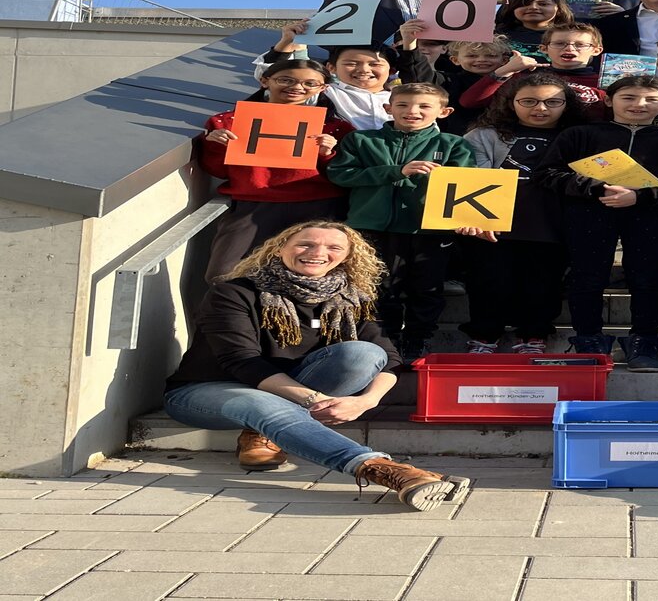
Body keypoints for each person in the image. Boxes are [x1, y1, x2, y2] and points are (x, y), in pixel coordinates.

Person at [164, 221, 468, 510]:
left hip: (287, 392)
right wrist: (316, 400)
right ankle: (383, 469)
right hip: (205, 391)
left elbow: (389, 358)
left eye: (333, 247)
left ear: (349, 256)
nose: (318, 253)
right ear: (279, 248)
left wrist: (365, 402)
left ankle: (266, 430)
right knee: (260, 402)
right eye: (305, 243)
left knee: (364, 353)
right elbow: (241, 361)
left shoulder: (351, 298)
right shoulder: (234, 292)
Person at [535, 76, 658, 372]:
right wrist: (594, 187)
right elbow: (547, 173)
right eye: (629, 97)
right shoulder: (579, 134)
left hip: (649, 215)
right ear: (609, 100)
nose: (639, 105)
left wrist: (642, 197)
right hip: (588, 213)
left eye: (651, 99)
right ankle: (589, 340)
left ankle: (645, 341)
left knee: (649, 277)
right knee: (587, 276)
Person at [326, 83, 475, 362]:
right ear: (388, 108)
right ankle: (384, 339)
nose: (412, 112)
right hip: (372, 227)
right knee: (379, 287)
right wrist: (395, 172)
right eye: (403, 105)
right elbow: (341, 175)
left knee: (426, 287)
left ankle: (418, 339)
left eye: (423, 106)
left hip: (429, 229)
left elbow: (466, 185)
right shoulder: (361, 140)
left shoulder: (454, 144)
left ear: (444, 112)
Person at [458, 73, 587, 352]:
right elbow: (472, 177)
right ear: (510, 102)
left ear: (567, 104)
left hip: (552, 224)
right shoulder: (483, 135)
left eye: (552, 102)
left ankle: (533, 335)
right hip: (493, 225)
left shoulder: (580, 137)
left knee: (543, 285)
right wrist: (476, 219)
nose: (540, 109)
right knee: (488, 282)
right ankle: (483, 336)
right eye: (529, 101)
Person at [200, 59, 354, 283]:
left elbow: (344, 174)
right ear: (265, 81)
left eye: (310, 83)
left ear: (323, 88)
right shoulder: (228, 121)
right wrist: (215, 144)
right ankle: (232, 317)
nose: (297, 88)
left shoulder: (336, 127)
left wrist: (328, 154)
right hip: (252, 206)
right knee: (226, 275)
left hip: (318, 207)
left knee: (310, 277)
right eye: (285, 80)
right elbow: (217, 170)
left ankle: (292, 319)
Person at [457, 24, 609, 121]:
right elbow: (470, 102)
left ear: (596, 50)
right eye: (559, 43)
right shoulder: (526, 79)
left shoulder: (607, 82)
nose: (569, 49)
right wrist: (506, 70)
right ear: (543, 49)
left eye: (580, 44)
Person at [494, 0, 574, 58]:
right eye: (524, 4)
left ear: (559, 10)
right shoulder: (498, 36)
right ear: (513, 9)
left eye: (543, 4)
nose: (533, 7)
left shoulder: (572, 36)